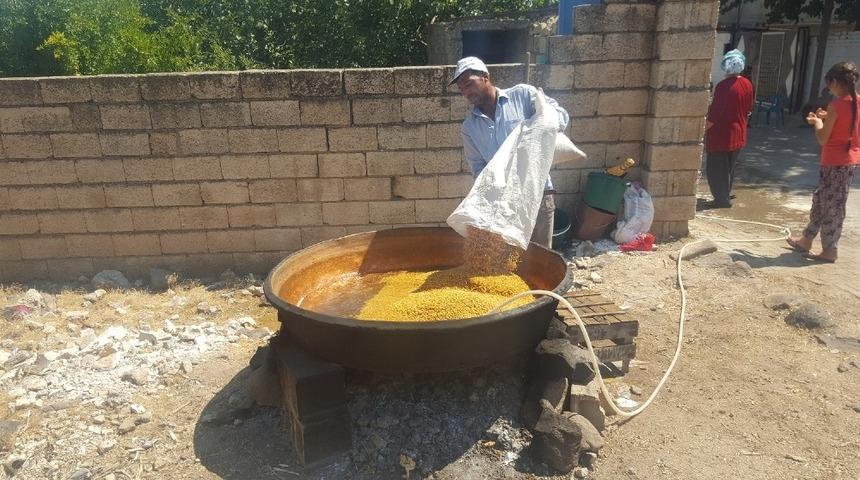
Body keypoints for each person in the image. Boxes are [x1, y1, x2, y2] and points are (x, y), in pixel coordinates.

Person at [452, 56, 570, 248]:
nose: (466, 92)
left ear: (485, 76)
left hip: (537, 193)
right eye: (461, 89)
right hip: (504, 205)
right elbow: (478, 168)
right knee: (510, 261)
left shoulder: (522, 95)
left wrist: (546, 123)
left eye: (468, 83)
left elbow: (560, 115)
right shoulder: (469, 127)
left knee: (541, 257)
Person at [786, 61, 859, 263]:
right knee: (820, 201)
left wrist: (818, 122)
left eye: (829, 84)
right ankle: (806, 239)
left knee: (832, 207)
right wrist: (828, 117)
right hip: (845, 161)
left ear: (835, 81)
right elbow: (849, 123)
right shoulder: (855, 102)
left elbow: (822, 138)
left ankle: (829, 250)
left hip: (836, 162)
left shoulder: (836, 105)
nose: (828, 88)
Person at [704, 49, 755, 208]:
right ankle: (724, 194)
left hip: (721, 135)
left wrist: (703, 129)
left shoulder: (724, 87)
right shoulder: (747, 84)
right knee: (728, 169)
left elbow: (715, 113)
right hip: (739, 132)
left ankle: (721, 200)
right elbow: (748, 108)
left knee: (717, 170)